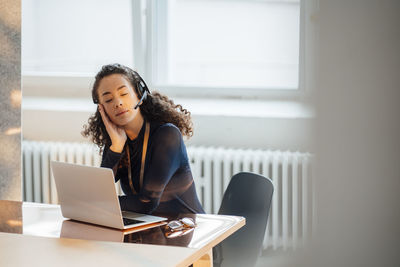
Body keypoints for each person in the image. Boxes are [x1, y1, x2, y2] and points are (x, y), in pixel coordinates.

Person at [82, 63, 204, 216]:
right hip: (149, 228)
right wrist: (116, 147)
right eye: (108, 100)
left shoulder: (167, 135)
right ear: (102, 109)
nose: (118, 103)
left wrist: (99, 203)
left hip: (186, 229)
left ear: (139, 93)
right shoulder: (117, 141)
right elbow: (99, 191)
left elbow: (146, 202)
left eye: (124, 94)